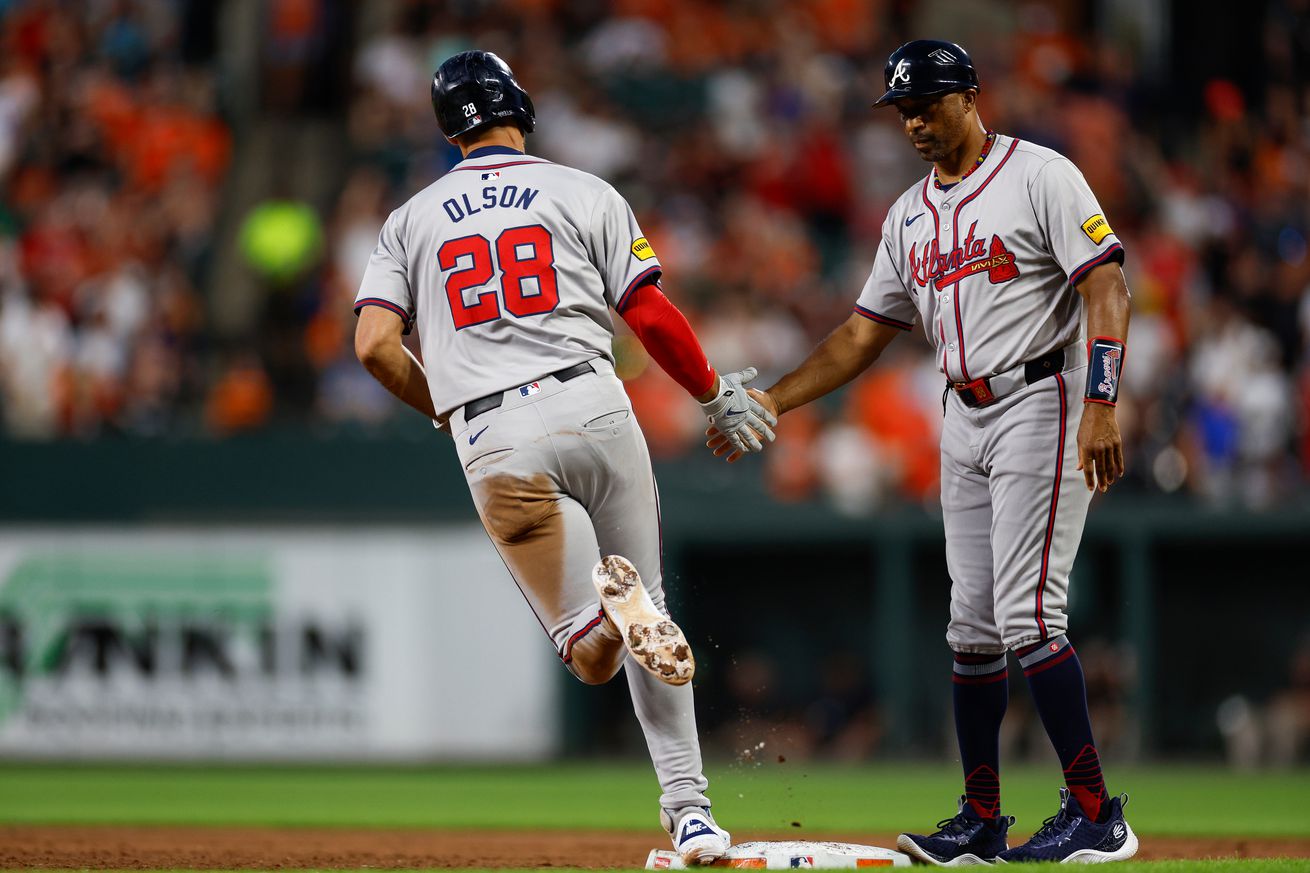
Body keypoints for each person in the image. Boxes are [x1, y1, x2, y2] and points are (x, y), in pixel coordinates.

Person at [714, 40, 1137, 864]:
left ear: (971, 96)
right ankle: (981, 816)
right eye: (903, 109)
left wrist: (1102, 400)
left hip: (1043, 396)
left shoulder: (1039, 174)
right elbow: (859, 336)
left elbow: (1107, 284)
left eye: (928, 103)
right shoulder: (907, 214)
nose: (913, 121)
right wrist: (773, 397)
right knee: (971, 629)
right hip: (963, 413)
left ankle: (1095, 811)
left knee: (1027, 615)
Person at [354, 50, 773, 864]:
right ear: (519, 102)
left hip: (492, 432)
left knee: (587, 657)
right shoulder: (583, 190)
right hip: (595, 400)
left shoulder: (410, 218)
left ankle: (608, 618)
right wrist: (714, 391)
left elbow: (373, 346)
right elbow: (648, 315)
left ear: (447, 129)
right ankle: (691, 815)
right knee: (650, 595)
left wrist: (441, 402)